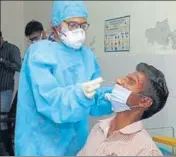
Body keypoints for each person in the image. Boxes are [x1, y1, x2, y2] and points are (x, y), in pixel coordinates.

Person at [15, 1, 115, 156]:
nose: (79, 31)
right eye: (73, 24)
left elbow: (93, 101)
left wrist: (114, 97)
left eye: (82, 25)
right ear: (55, 24)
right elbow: (50, 101)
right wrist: (80, 95)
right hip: (41, 144)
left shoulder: (87, 56)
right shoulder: (39, 54)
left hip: (77, 144)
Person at [78, 62, 169, 156]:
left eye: (131, 81)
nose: (119, 80)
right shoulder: (99, 127)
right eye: (125, 77)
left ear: (144, 102)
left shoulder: (146, 151)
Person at [0, 31, 21, 154]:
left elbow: (18, 66)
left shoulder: (12, 49)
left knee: (3, 120)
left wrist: (2, 60)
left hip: (5, 90)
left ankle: (7, 152)